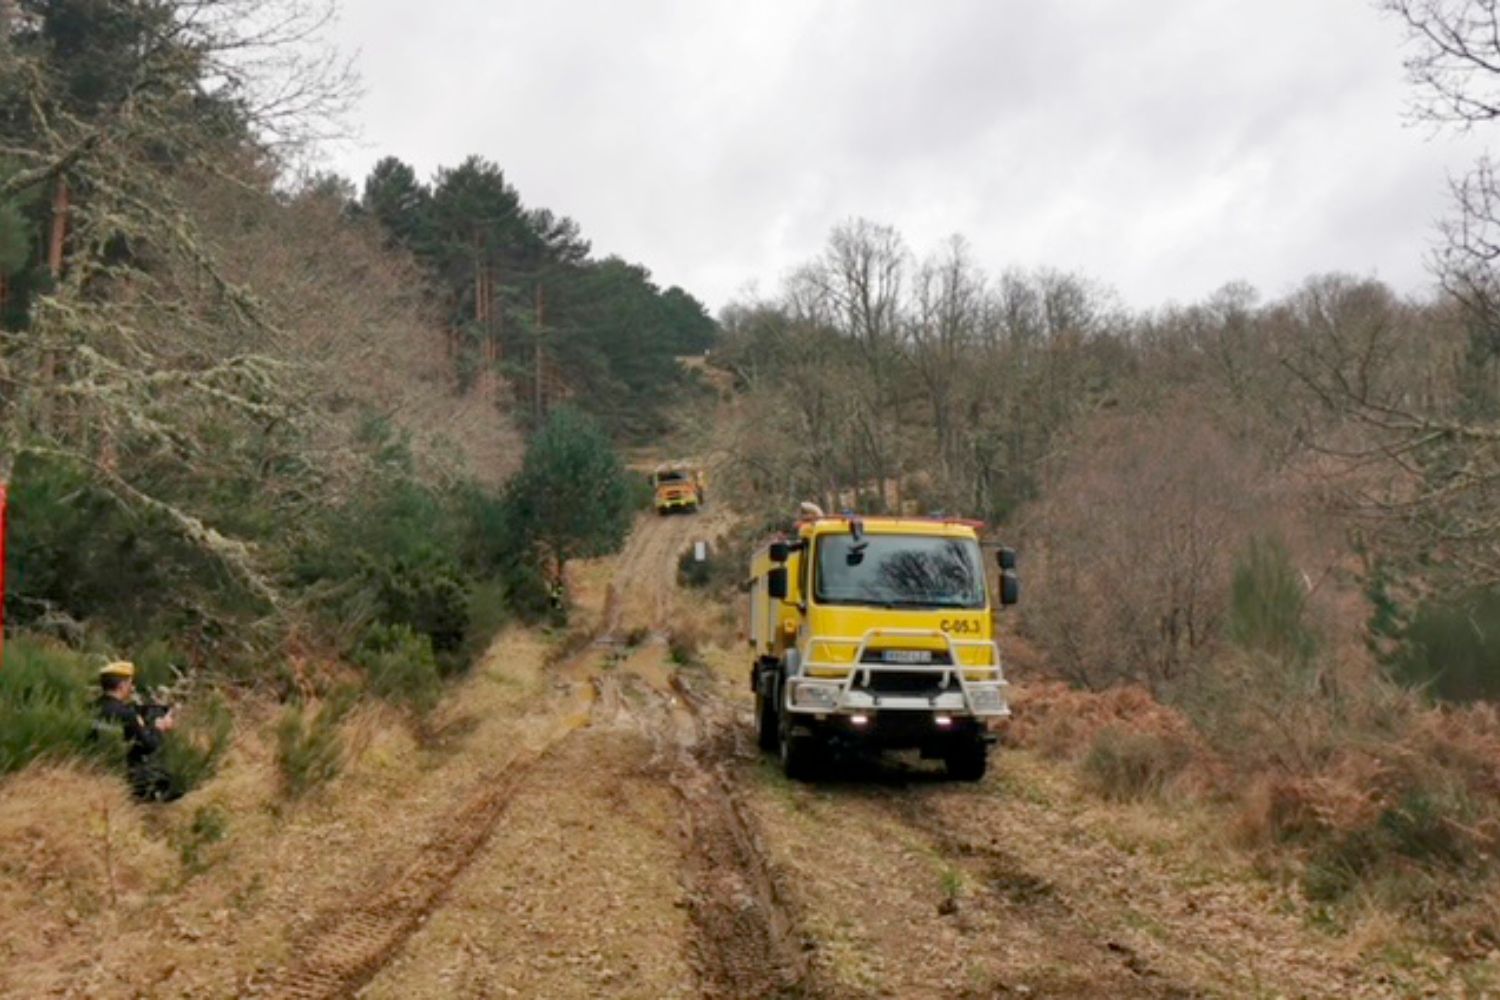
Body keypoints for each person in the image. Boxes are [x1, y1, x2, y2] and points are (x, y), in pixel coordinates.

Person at [94, 660, 181, 802]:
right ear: (122, 686)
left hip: (96, 769)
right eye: (130, 683)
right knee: (172, 782)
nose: (132, 687)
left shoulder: (90, 708)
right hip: (125, 774)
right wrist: (159, 728)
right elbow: (149, 745)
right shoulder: (127, 714)